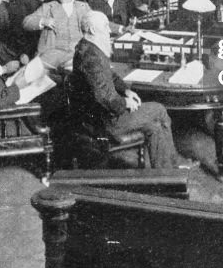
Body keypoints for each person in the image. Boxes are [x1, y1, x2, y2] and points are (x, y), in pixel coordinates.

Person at [70, 11, 193, 169]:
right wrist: (125, 102)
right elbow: (104, 98)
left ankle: (167, 171)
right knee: (160, 110)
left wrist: (126, 90)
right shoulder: (92, 57)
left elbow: (111, 75)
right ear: (93, 30)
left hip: (101, 116)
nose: (109, 30)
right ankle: (171, 167)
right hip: (106, 122)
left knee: (154, 128)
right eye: (105, 26)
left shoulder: (88, 48)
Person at [22, 0, 91, 70]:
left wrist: (118, 28)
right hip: (51, 56)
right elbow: (26, 22)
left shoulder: (83, 7)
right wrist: (43, 21)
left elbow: (100, 22)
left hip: (76, 56)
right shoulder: (48, 7)